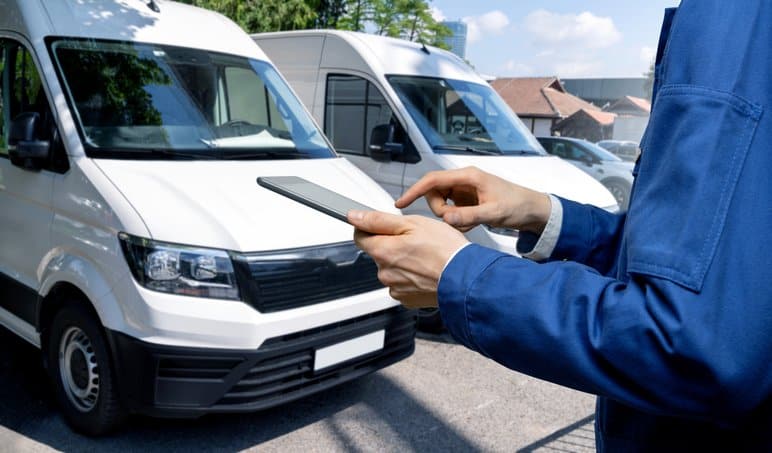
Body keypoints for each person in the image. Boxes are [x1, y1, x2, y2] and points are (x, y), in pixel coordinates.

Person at [347, 1, 772, 451]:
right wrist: (544, 214)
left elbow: (693, 345)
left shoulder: (734, 17)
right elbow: (713, 268)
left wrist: (458, 274)